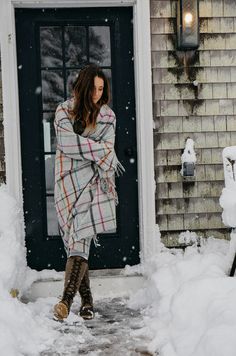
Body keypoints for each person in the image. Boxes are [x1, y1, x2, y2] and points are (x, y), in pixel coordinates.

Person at [53, 64, 124, 321]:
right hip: (66, 182)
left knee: (80, 238)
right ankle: (87, 301)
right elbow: (66, 143)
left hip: (93, 184)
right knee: (71, 240)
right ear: (83, 88)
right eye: (93, 88)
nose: (97, 93)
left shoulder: (108, 116)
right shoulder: (64, 111)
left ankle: (65, 301)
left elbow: (109, 150)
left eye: (101, 88)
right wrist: (93, 150)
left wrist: (83, 149)